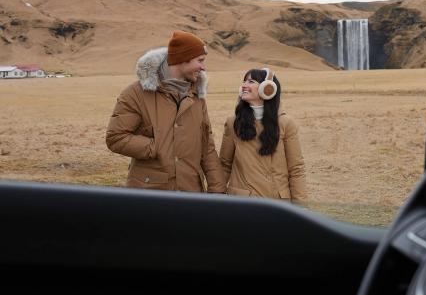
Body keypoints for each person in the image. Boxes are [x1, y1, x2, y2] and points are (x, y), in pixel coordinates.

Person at [106, 30, 226, 193]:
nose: (203, 67)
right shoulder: (136, 94)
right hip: (150, 195)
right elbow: (116, 138)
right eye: (200, 60)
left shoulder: (197, 96)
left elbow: (207, 148)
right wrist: (158, 147)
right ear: (183, 59)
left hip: (191, 193)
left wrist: (217, 190)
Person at [219, 68, 307, 203]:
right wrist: (215, 200)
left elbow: (296, 170)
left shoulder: (286, 123)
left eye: (251, 81)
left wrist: (301, 209)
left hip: (277, 204)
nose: (244, 85)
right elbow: (224, 165)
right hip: (242, 203)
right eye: (244, 81)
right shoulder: (233, 123)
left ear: (268, 89)